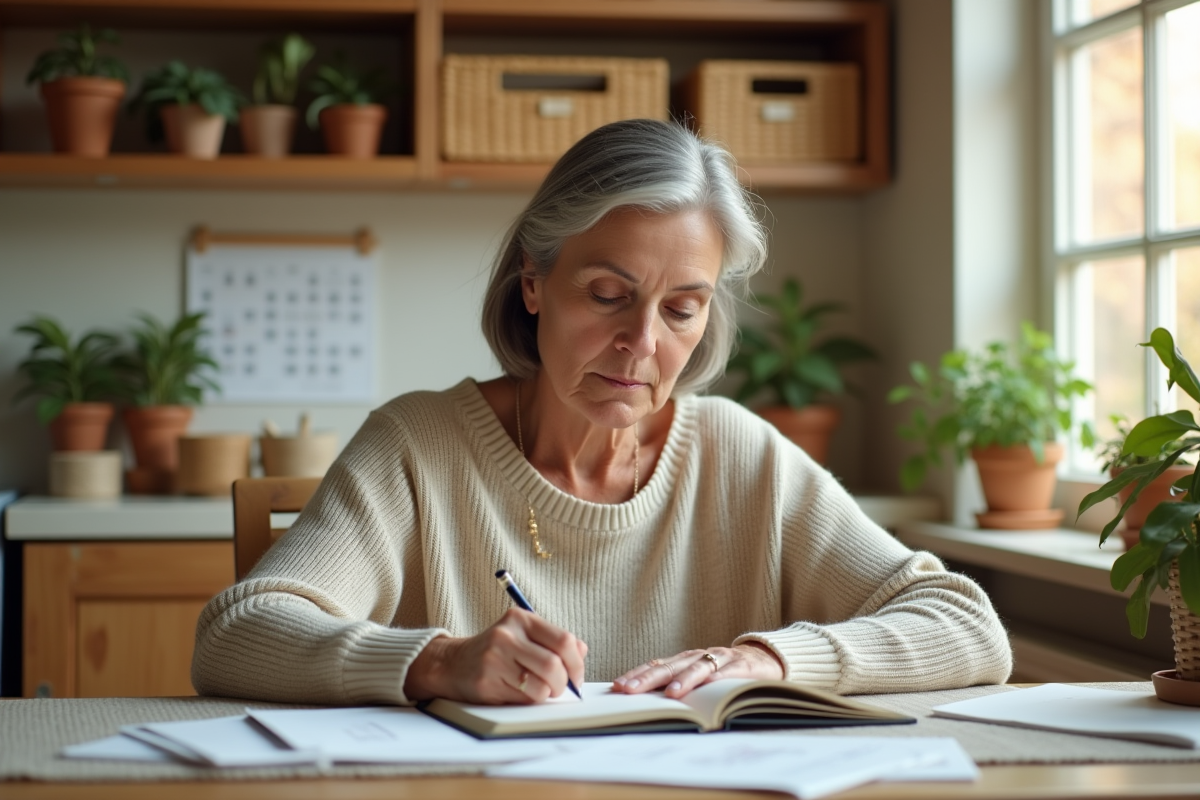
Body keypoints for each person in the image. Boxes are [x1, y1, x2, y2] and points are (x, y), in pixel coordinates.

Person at [192, 118, 1011, 707]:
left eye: (682, 309)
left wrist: (769, 659)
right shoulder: (418, 446)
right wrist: (434, 663)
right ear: (534, 283)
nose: (640, 343)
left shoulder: (741, 455)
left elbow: (969, 628)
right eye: (609, 295)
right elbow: (236, 634)